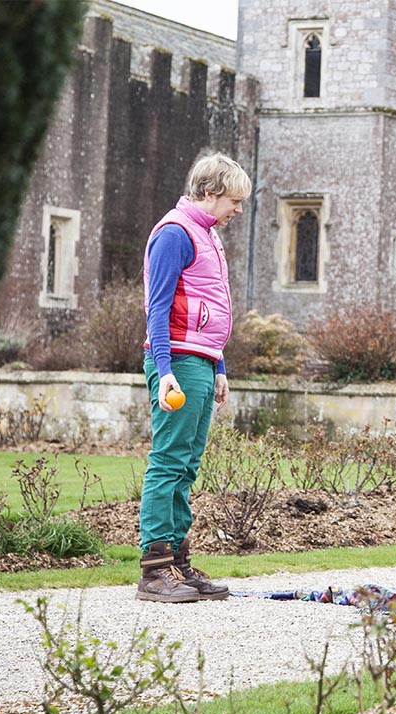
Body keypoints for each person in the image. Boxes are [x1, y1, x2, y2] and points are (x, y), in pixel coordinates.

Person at [136, 152, 251, 603]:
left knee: (187, 465)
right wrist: (165, 373)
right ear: (210, 192)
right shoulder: (174, 234)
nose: (237, 210)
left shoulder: (206, 235)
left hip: (200, 362)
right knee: (168, 461)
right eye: (233, 200)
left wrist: (219, 366)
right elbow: (157, 310)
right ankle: (154, 569)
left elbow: (209, 310)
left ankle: (178, 564)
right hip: (177, 364)